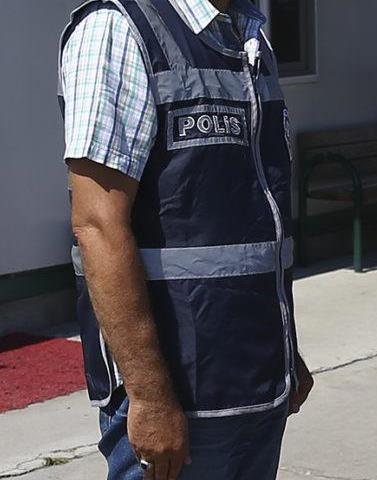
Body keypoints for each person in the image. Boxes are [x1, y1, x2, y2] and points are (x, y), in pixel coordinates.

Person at [58, 0, 313, 479]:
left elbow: (254, 219)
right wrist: (151, 396)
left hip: (256, 381)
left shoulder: (248, 35)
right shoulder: (118, 30)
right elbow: (97, 224)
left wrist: (286, 350)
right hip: (178, 395)